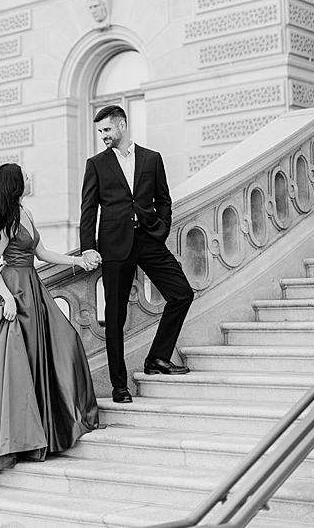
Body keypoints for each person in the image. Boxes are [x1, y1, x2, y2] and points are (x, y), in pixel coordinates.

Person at [0, 163, 100, 483]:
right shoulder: (8, 220)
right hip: (13, 294)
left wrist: (77, 260)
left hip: (32, 290)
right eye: (22, 176)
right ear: (14, 184)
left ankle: (50, 428)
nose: (27, 178)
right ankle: (22, 442)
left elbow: (42, 252)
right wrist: (8, 298)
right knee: (18, 369)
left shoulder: (26, 214)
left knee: (64, 343)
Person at [79, 105, 195, 404]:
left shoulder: (151, 159)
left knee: (181, 293)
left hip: (149, 239)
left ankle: (157, 357)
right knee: (114, 317)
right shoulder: (96, 164)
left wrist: (163, 227)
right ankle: (120, 385)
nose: (103, 135)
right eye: (100, 131)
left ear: (122, 124)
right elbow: (88, 209)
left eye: (107, 129)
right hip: (114, 246)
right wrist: (88, 246)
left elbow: (164, 199)